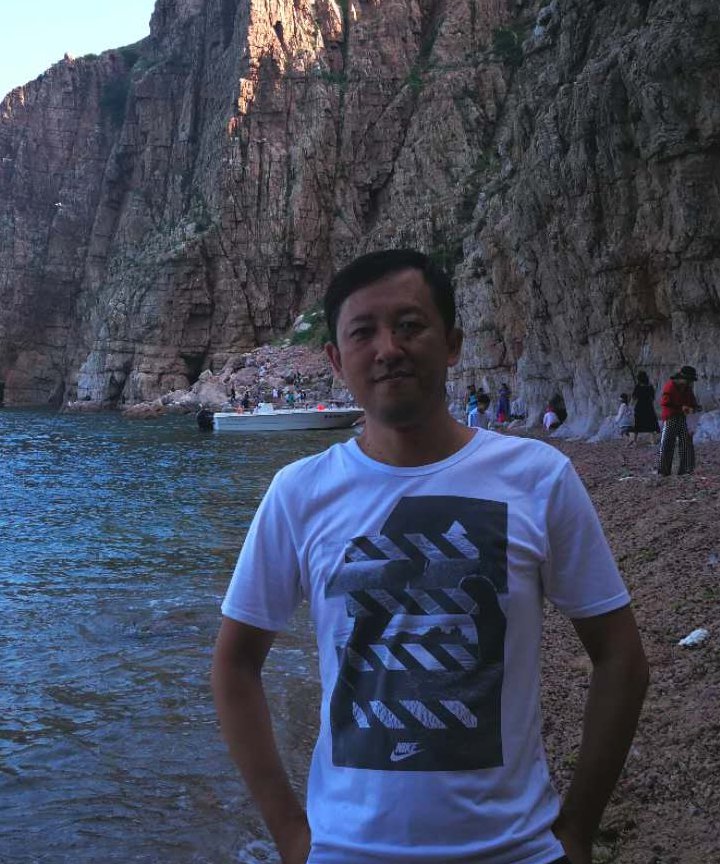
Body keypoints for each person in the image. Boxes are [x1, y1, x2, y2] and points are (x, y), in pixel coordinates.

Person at [212, 249, 648, 864]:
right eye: (363, 332)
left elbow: (620, 655)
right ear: (336, 360)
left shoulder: (538, 478)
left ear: (453, 344)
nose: (387, 348)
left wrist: (577, 831)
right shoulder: (298, 494)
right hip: (346, 851)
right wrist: (290, 833)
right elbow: (234, 665)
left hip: (515, 851)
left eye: (410, 325)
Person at [658, 365, 699, 476]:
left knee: (686, 443)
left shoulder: (687, 388)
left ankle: (686, 470)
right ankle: (664, 471)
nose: (690, 383)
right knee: (667, 444)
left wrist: (693, 407)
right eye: (688, 380)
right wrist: (681, 407)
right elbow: (665, 403)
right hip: (670, 418)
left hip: (683, 418)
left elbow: (692, 402)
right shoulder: (670, 386)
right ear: (682, 378)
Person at [630, 371, 659, 445]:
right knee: (651, 424)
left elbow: (633, 398)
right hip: (648, 407)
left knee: (637, 424)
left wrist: (631, 405)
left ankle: (634, 441)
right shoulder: (650, 387)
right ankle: (653, 441)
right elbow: (653, 398)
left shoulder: (637, 387)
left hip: (639, 407)